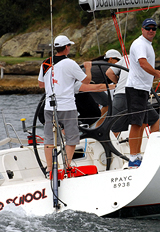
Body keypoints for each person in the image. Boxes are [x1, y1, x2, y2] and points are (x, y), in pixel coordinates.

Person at [38, 35, 115, 175]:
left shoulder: (46, 63)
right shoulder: (70, 63)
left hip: (49, 107)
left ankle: (49, 170)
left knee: (49, 140)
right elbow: (86, 81)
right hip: (67, 107)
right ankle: (67, 167)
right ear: (67, 47)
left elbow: (41, 84)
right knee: (72, 139)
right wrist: (88, 68)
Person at [125, 18, 160, 168]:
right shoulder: (139, 44)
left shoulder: (147, 44)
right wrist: (159, 75)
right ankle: (133, 158)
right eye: (148, 28)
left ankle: (137, 155)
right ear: (142, 29)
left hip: (142, 89)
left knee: (144, 122)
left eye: (154, 28)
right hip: (135, 88)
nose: (151, 30)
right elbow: (143, 63)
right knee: (136, 124)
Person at [106, 56, 160, 137]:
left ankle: (112, 148)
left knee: (115, 130)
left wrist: (119, 83)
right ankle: (151, 146)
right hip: (136, 95)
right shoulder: (147, 59)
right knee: (155, 120)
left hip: (120, 95)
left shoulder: (126, 57)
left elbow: (109, 72)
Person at [89, 49, 122, 125]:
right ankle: (99, 127)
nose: (119, 63)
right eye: (118, 60)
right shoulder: (107, 67)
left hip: (82, 86)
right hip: (86, 86)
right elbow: (120, 77)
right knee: (107, 103)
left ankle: (97, 126)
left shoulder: (99, 64)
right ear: (111, 59)